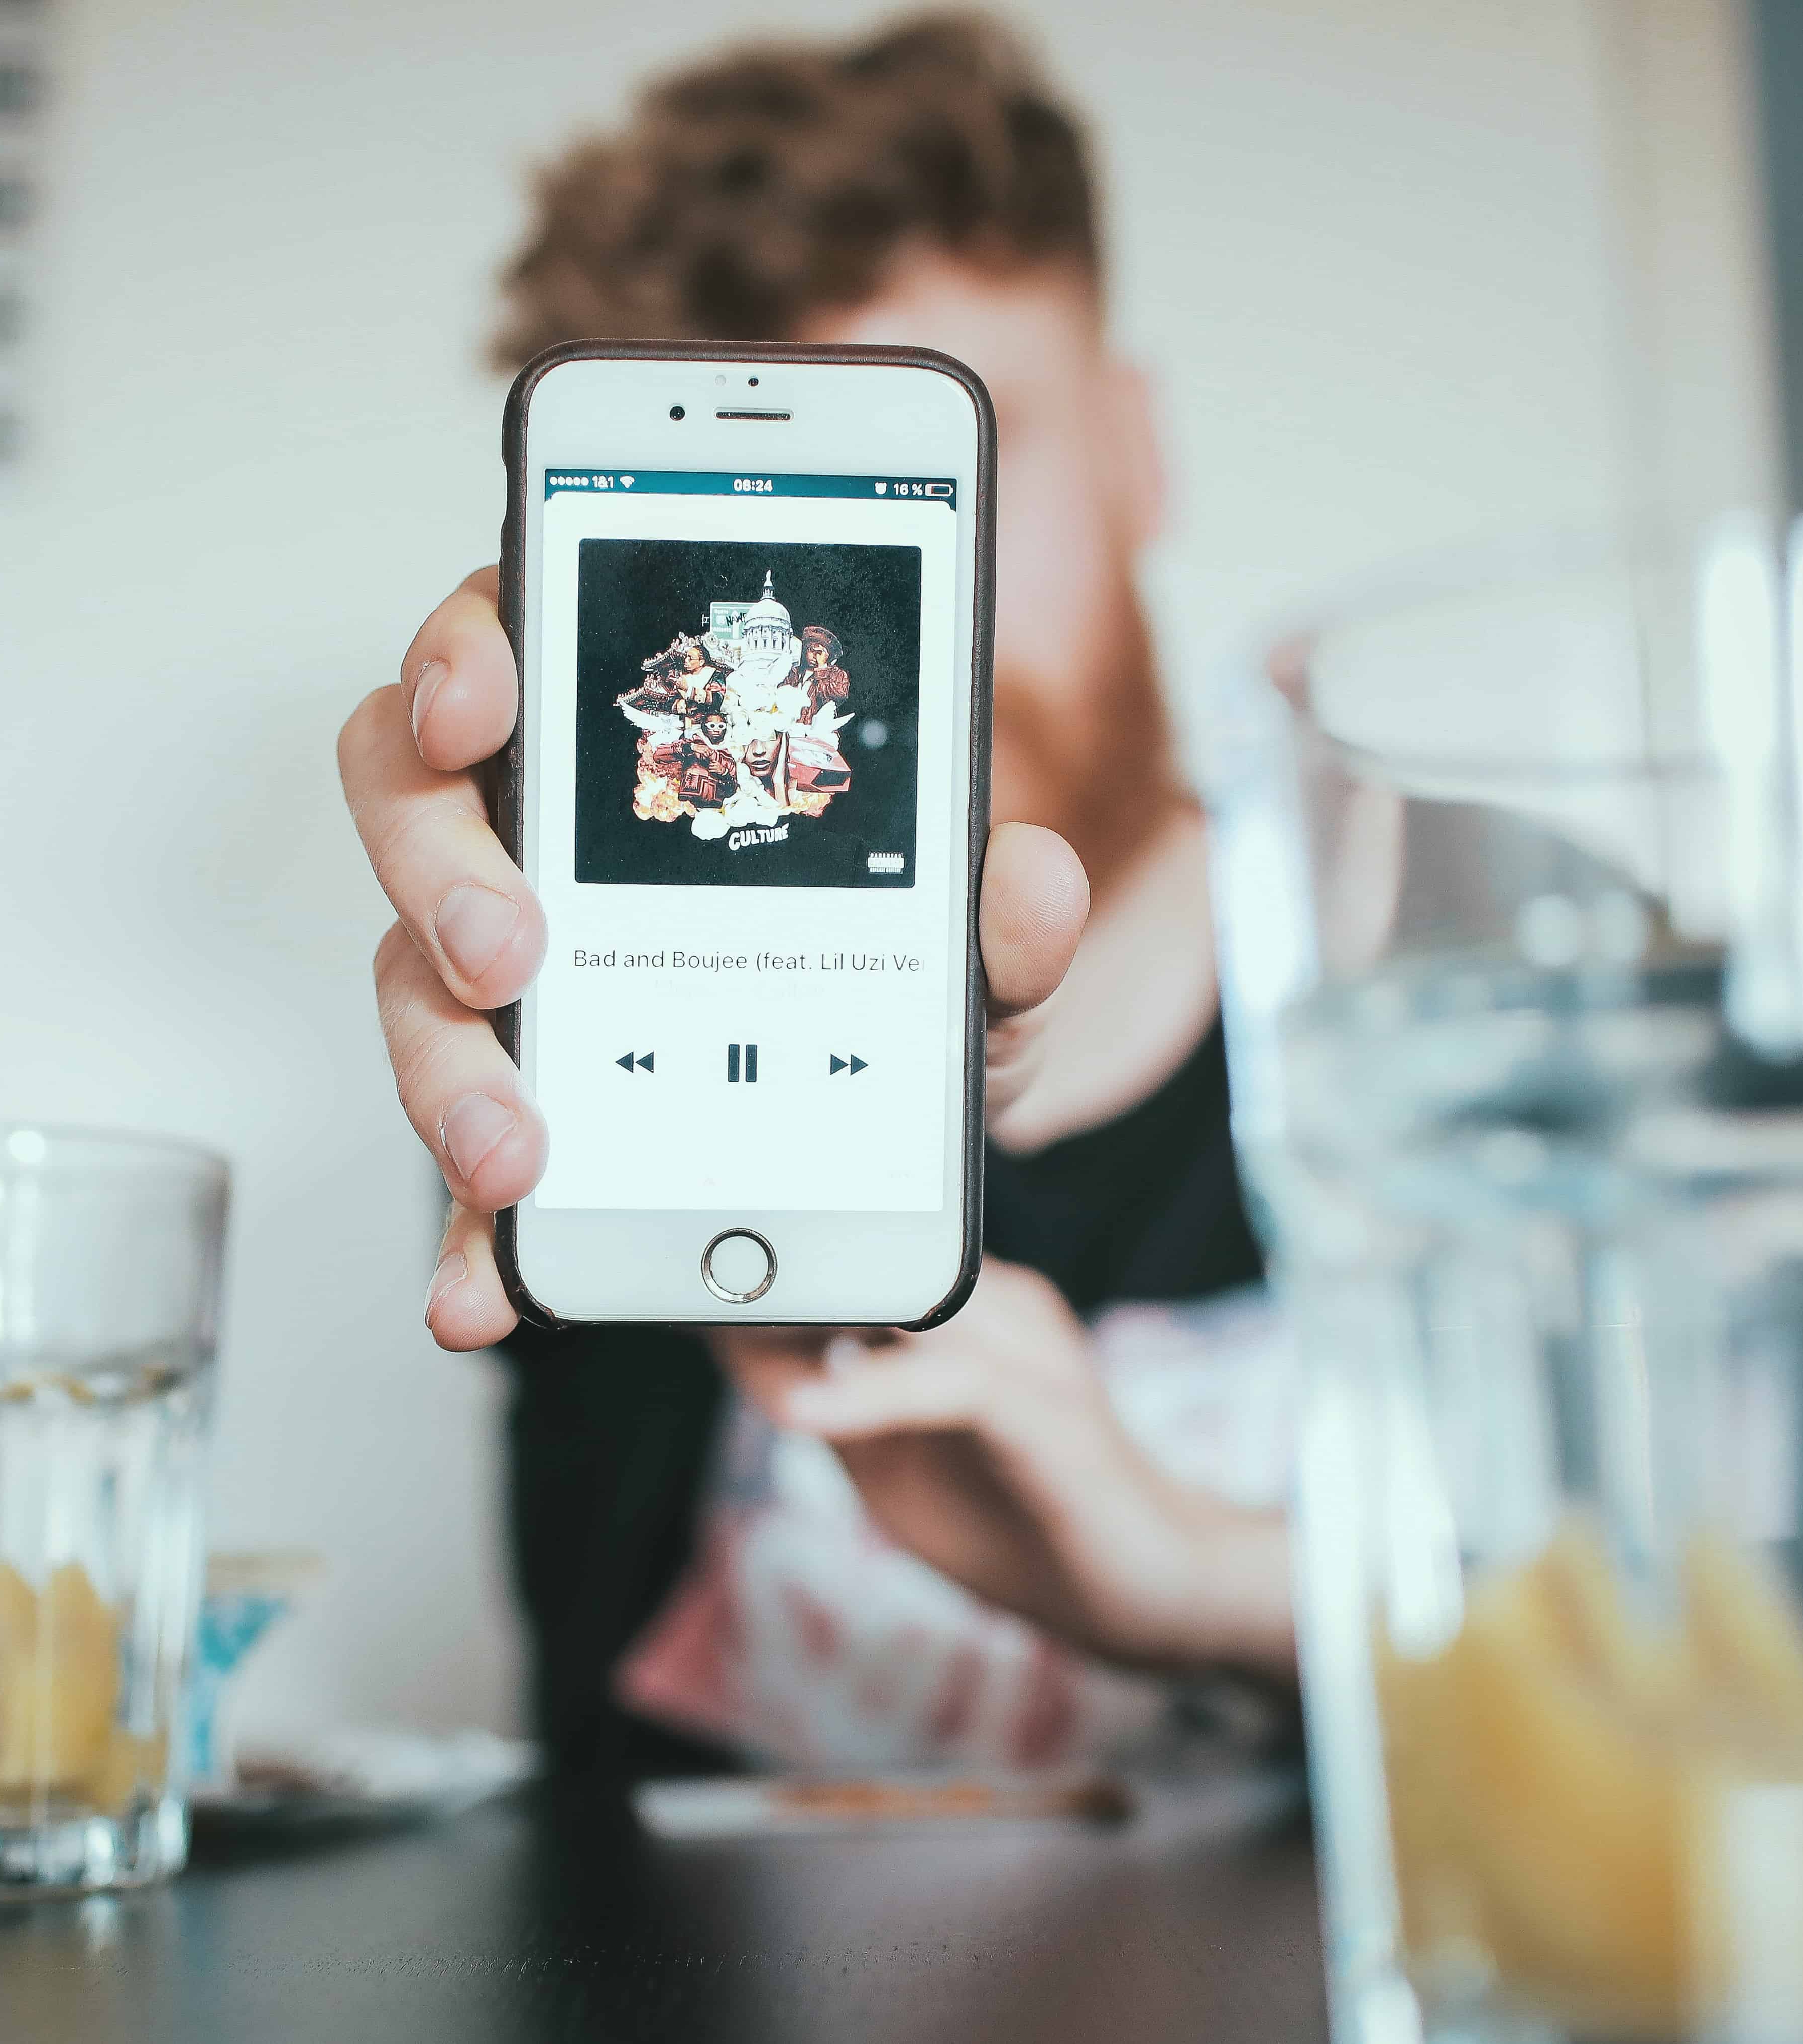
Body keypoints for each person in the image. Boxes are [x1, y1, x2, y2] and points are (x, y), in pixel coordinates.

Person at [337, 12, 1293, 1778]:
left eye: (956, 471)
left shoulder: (1468, 991)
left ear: (1136, 446)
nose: (873, 644)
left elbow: (1744, 1730)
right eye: (743, 548)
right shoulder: (559, 1046)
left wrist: (1215, 1584)